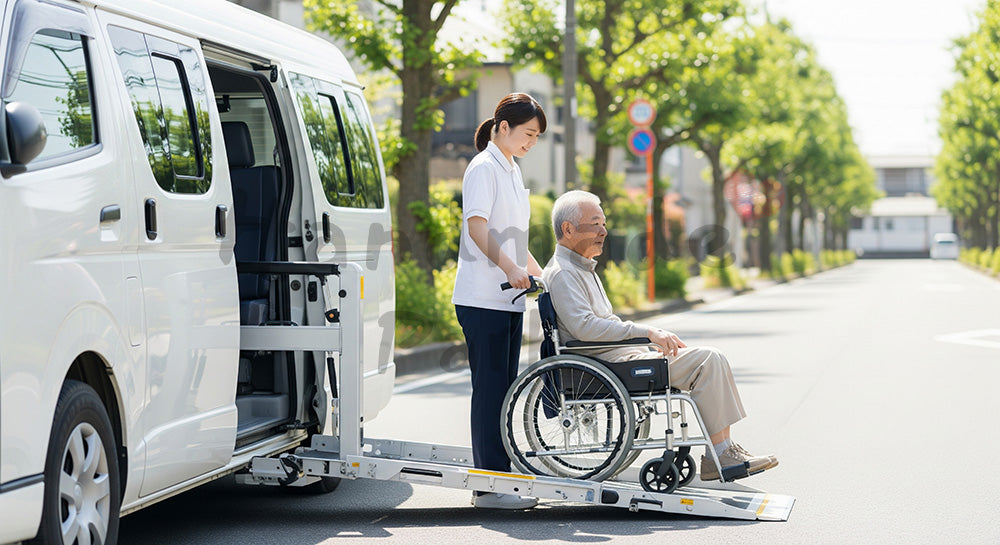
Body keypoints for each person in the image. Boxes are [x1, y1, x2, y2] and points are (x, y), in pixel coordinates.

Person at [541, 190, 778, 481]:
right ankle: (720, 453)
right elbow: (585, 328)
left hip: (616, 358)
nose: (604, 231)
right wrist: (646, 332)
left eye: (603, 223)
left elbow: (598, 324)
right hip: (606, 365)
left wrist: (643, 341)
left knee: (706, 360)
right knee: (708, 361)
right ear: (568, 229)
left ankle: (722, 450)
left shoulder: (580, 269)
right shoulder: (565, 272)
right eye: (595, 224)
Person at [452, 93, 546, 509]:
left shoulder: (511, 169)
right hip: (482, 297)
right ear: (503, 127)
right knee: (490, 391)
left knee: (504, 391)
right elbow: (478, 228)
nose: (532, 143)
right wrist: (510, 269)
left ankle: (502, 474)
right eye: (528, 134)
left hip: (508, 299)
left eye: (537, 137)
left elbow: (512, 236)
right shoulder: (483, 168)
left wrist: (539, 272)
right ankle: (489, 487)